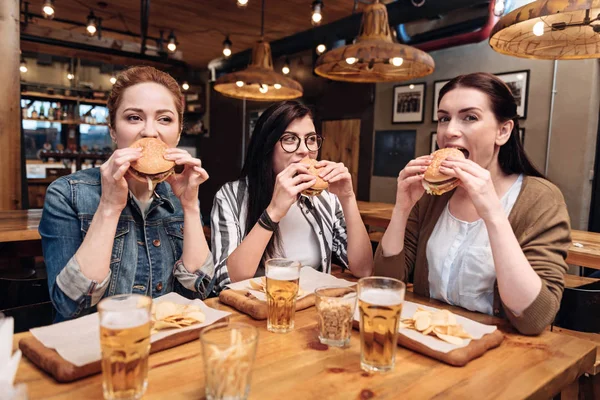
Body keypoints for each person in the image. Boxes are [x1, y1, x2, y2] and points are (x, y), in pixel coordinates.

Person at [375, 72, 571, 335]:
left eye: (470, 117)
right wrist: (401, 209)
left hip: (501, 352)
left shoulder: (541, 198)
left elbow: (534, 319)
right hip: (425, 342)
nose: (450, 131)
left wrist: (492, 214)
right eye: (444, 118)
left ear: (503, 131)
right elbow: (385, 284)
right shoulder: (434, 194)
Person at [40, 66, 214, 321]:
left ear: (177, 133)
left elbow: (200, 290)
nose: (150, 131)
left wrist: (190, 206)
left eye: (164, 119)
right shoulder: (66, 194)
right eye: (134, 118)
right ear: (112, 129)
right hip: (95, 348)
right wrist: (109, 207)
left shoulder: (180, 194)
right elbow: (70, 304)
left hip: (165, 346)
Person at [211, 101, 373, 290]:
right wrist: (273, 212)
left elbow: (364, 269)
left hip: (311, 309)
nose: (305, 149)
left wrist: (347, 198)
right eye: (290, 139)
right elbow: (226, 280)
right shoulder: (230, 196)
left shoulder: (325, 199)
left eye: (311, 139)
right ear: (267, 146)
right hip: (255, 312)